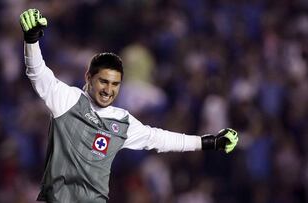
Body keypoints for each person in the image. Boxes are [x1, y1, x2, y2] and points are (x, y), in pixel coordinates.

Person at [19, 8, 238, 203]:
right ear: (89, 78)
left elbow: (160, 139)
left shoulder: (121, 121)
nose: (108, 89)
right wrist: (31, 40)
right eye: (103, 81)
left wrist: (210, 142)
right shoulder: (68, 100)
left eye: (115, 84)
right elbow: (38, 74)